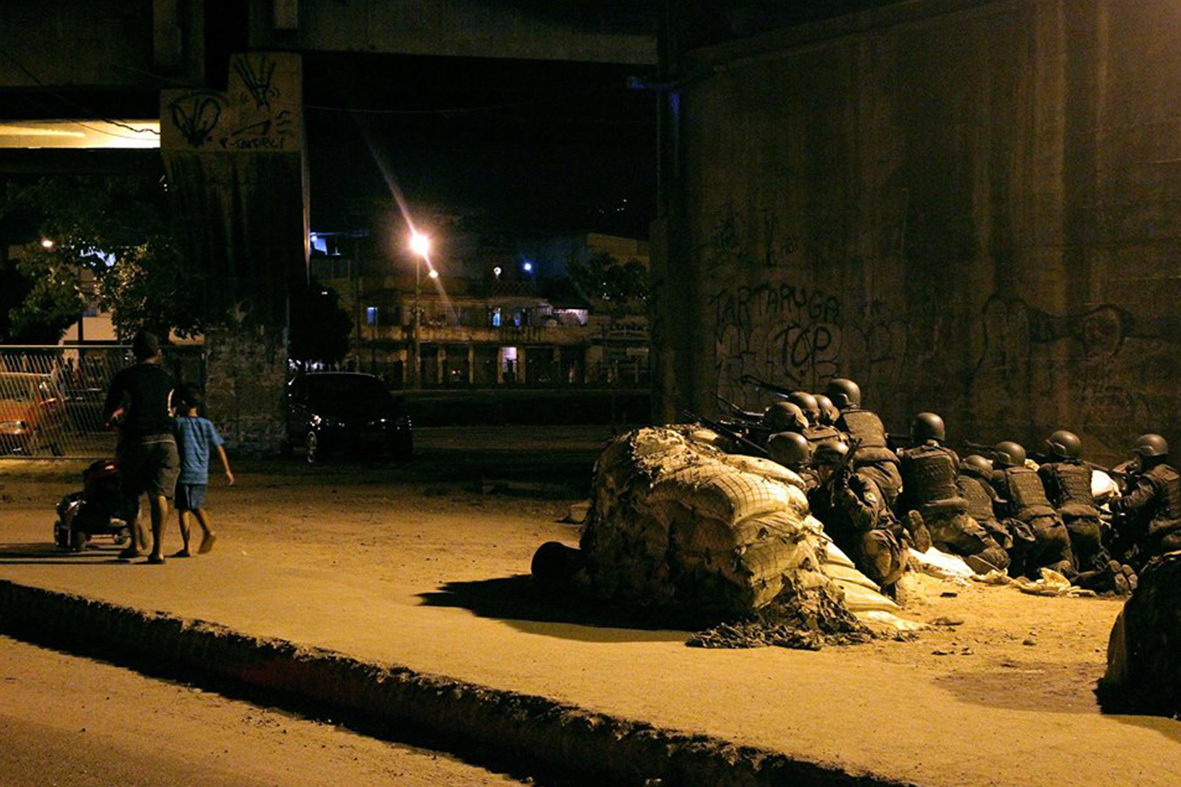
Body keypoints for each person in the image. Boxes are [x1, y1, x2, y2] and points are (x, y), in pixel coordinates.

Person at [102, 330, 178, 564]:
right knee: (160, 495)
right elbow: (174, 408)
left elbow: (110, 409)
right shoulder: (168, 377)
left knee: (129, 492)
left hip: (137, 439)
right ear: (157, 352)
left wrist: (113, 419)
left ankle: (135, 544)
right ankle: (158, 550)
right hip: (166, 441)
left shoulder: (125, 377)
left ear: (134, 353)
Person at [897, 413, 1007, 572]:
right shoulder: (951, 455)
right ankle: (964, 564)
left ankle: (929, 541)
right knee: (999, 553)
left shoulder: (905, 457)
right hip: (954, 519)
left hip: (924, 519)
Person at [1037, 430, 1131, 592]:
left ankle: (1106, 577)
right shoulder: (1086, 469)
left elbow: (1046, 498)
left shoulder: (1048, 469)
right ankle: (1114, 574)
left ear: (1057, 450)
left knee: (1069, 575)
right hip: (1092, 523)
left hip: (1069, 524)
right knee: (1092, 563)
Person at [807, 440, 907, 592]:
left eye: (832, 468)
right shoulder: (818, 494)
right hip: (848, 548)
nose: (826, 472)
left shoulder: (863, 484)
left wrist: (847, 495)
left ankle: (882, 584)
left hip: (884, 550)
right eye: (823, 467)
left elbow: (867, 521)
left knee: (870, 539)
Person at [990, 440, 1074, 578]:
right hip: (1058, 525)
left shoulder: (999, 475)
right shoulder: (1033, 473)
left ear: (1002, 458)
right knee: (1067, 574)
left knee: (1022, 574)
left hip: (1034, 529)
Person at [824, 378, 903, 509]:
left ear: (840, 399)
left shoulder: (837, 420)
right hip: (892, 476)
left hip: (865, 481)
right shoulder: (872, 417)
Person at [172, 389, 233, 557]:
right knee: (196, 505)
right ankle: (207, 531)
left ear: (183, 403)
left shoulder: (178, 424)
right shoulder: (206, 424)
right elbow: (219, 447)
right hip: (201, 473)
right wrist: (227, 470)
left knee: (184, 509)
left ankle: (188, 546)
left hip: (184, 472)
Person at [1110, 433, 1181, 570]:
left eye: (1138, 457)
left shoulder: (1151, 478)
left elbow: (1132, 504)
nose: (1135, 461)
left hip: (1162, 534)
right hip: (1177, 529)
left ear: (1146, 458)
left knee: (1122, 532)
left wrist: (1116, 501)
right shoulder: (1173, 473)